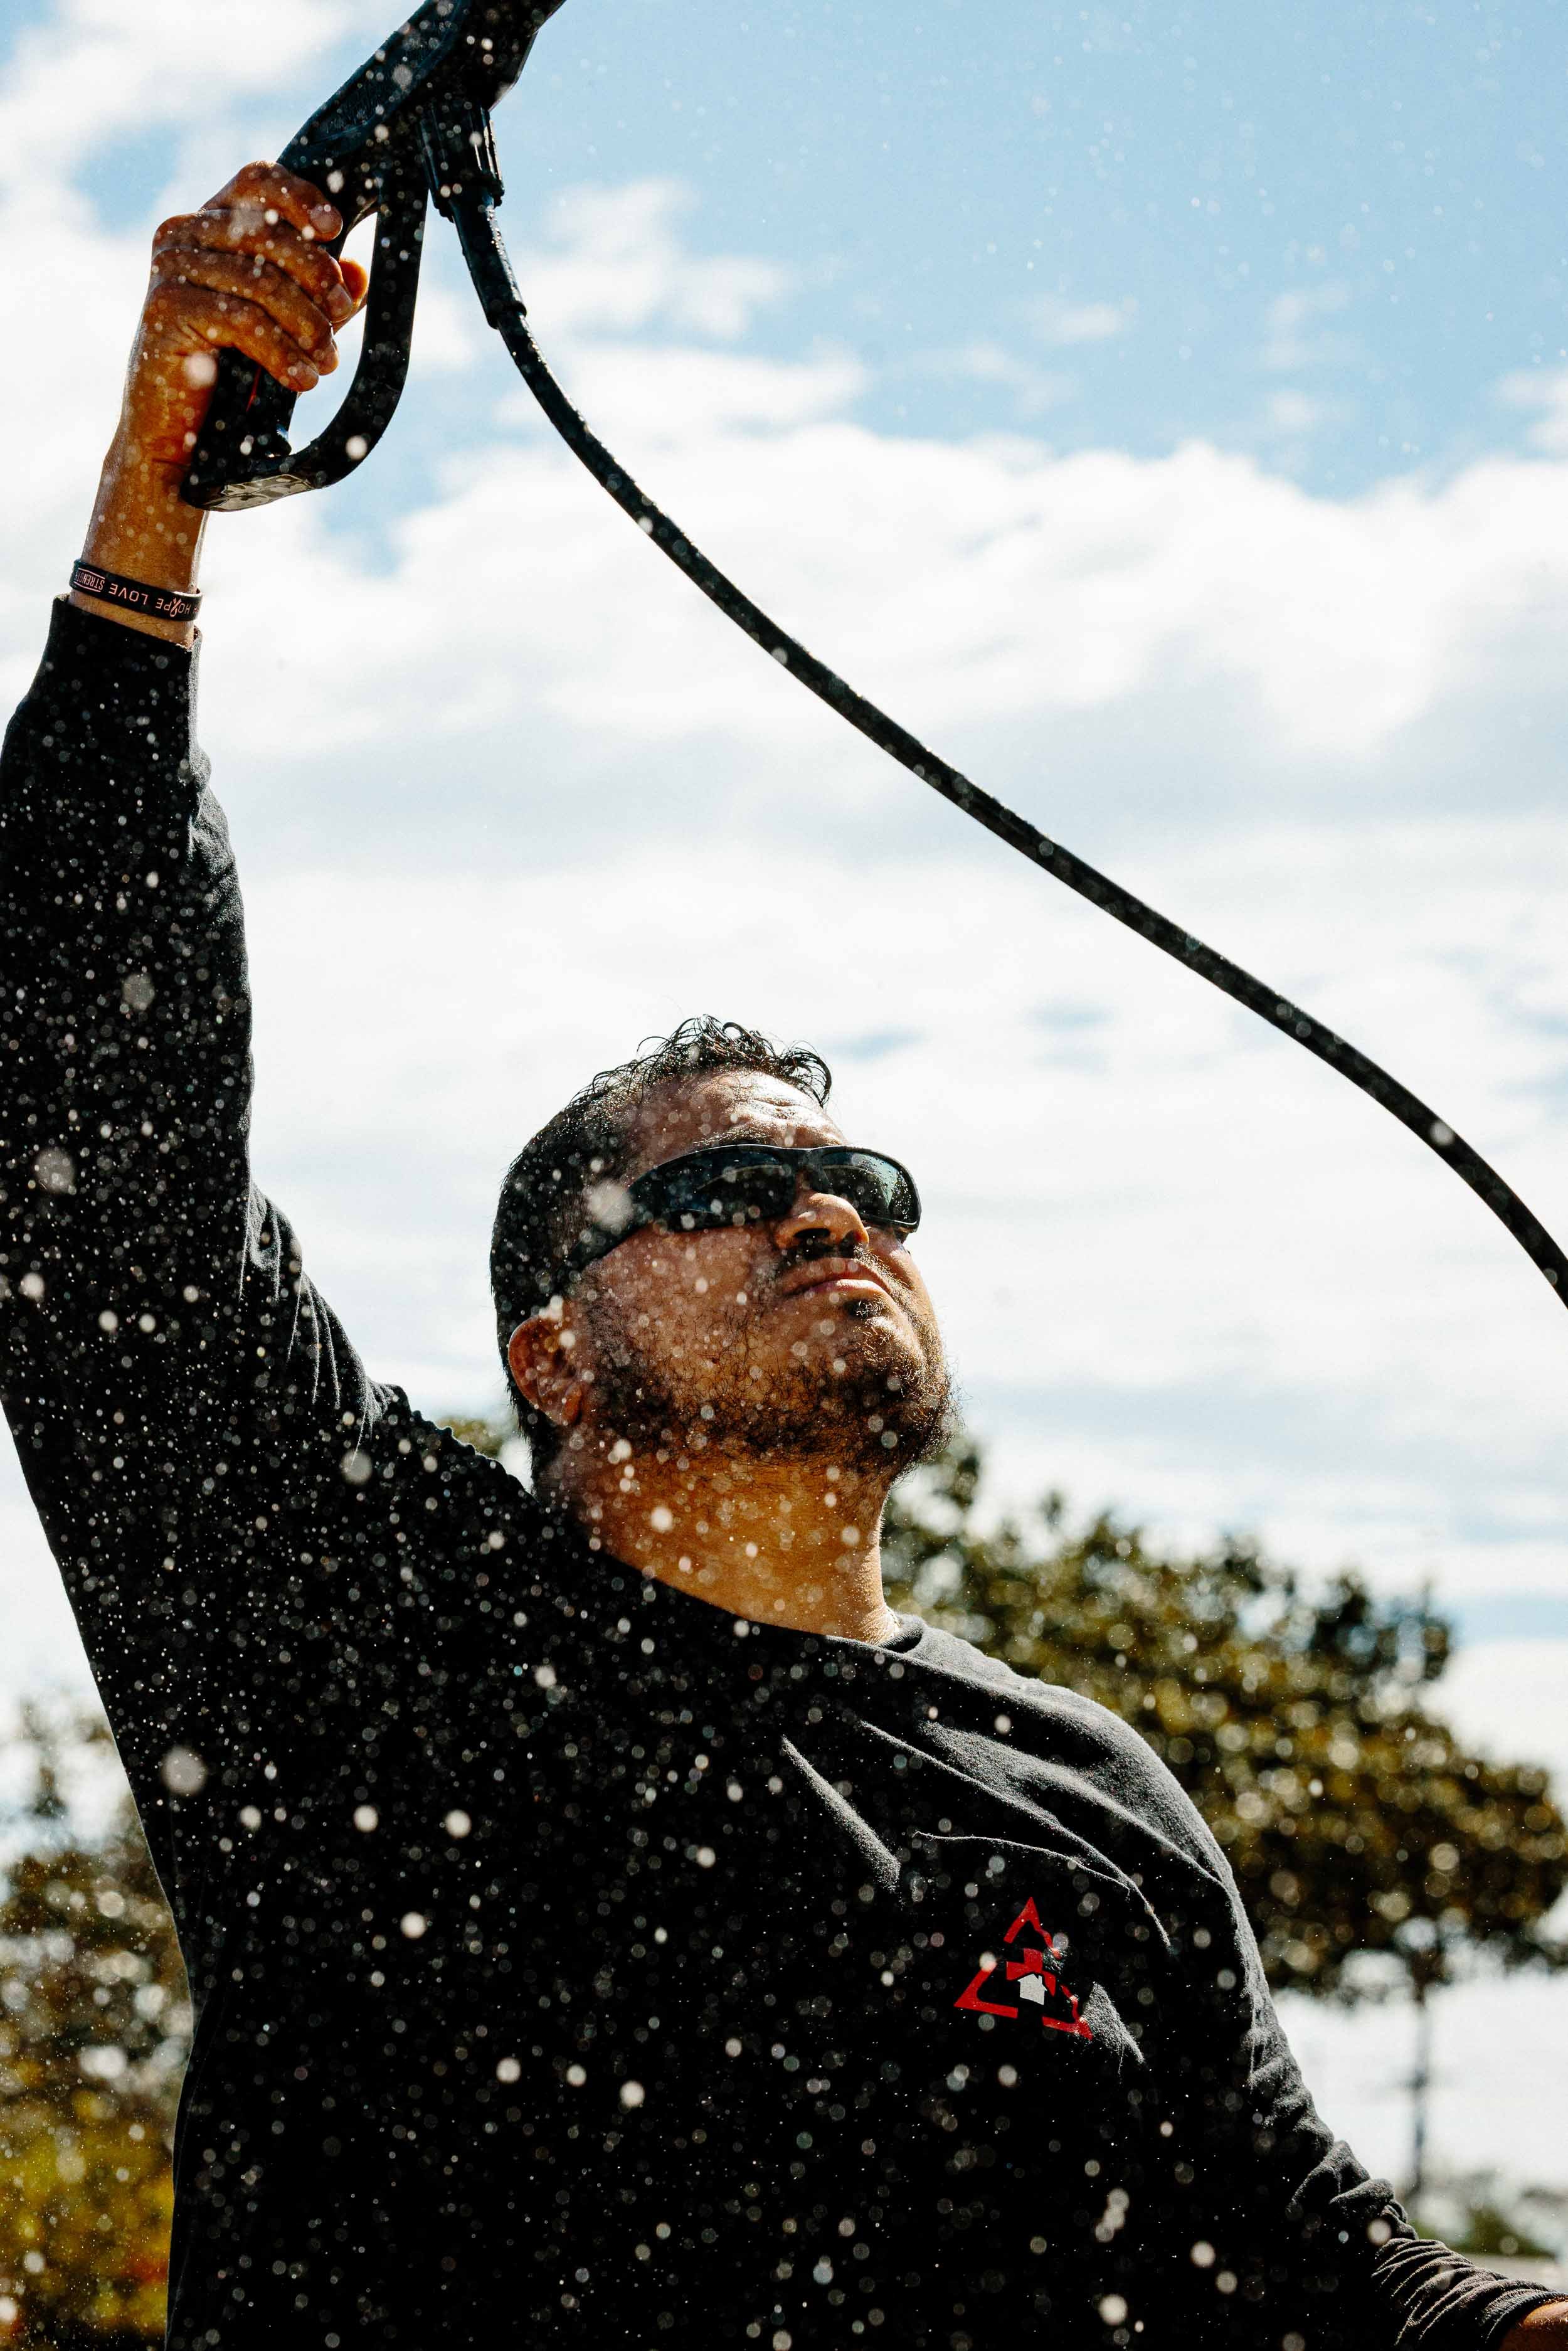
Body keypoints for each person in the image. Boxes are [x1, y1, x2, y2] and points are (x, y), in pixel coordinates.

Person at [1, 157, 1562, 2351]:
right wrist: (150, 512)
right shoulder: (366, 1635)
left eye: (867, 1185)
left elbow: (1318, 2269)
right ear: (550, 1355)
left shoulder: (1079, 1781)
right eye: (722, 1185)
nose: (833, 1211)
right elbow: (92, 1147)